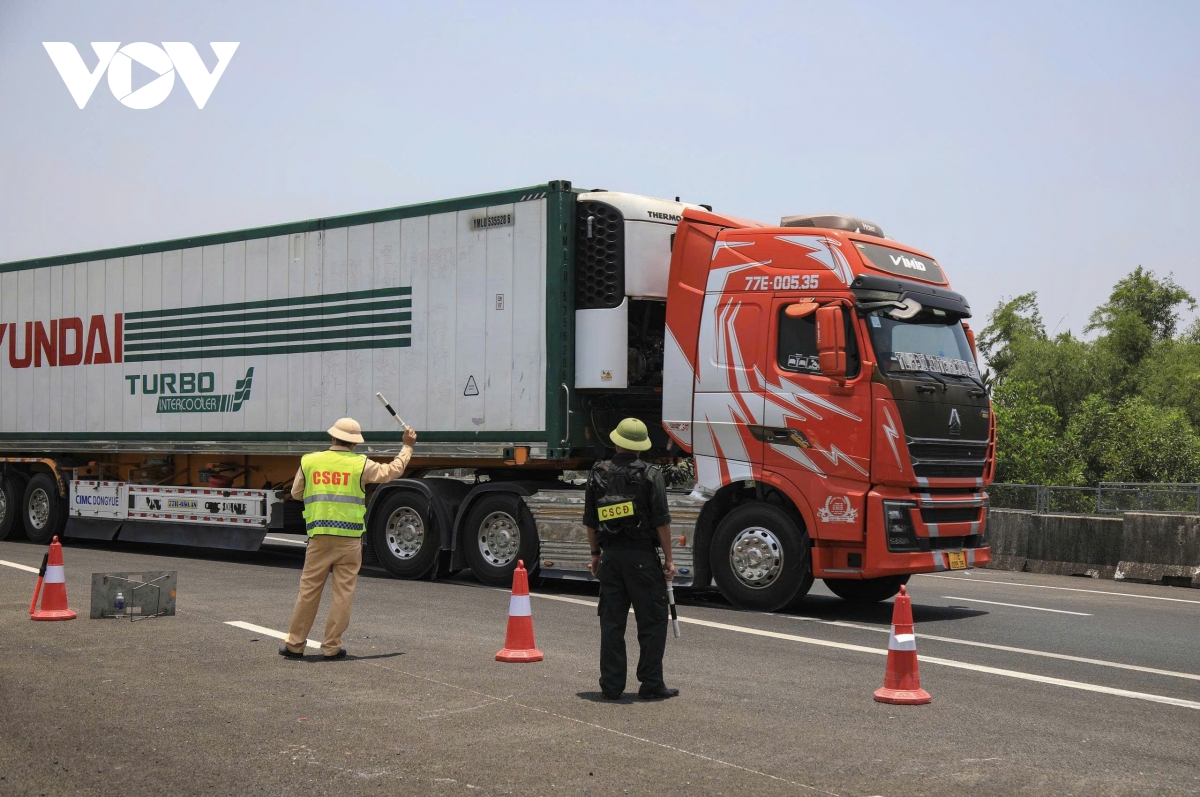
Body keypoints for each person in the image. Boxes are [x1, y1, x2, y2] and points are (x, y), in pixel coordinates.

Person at [279, 417, 417, 660]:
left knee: (308, 592)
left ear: (332, 437)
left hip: (319, 537)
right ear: (355, 443)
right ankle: (331, 647)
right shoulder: (361, 465)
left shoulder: (310, 461)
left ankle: (295, 645)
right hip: (349, 540)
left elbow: (296, 493)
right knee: (342, 595)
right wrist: (407, 446)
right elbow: (392, 471)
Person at [584, 417, 678, 700]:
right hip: (641, 559)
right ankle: (651, 684)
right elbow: (661, 522)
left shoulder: (597, 473)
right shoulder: (651, 475)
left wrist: (595, 554)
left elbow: (590, 520)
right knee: (652, 620)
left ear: (616, 442)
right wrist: (669, 560)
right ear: (640, 448)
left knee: (612, 623)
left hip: (611, 558)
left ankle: (611, 687)